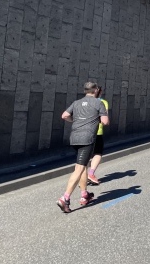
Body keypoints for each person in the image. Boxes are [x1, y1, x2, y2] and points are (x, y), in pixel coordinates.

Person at [57, 81, 109, 213]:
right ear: (96, 90)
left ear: (85, 91)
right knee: (79, 168)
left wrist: (75, 120)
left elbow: (64, 115)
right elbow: (105, 121)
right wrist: (95, 120)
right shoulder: (99, 103)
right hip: (87, 138)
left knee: (82, 166)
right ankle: (65, 198)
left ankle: (84, 194)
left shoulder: (76, 103)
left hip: (74, 138)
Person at [87, 85, 109, 186]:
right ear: (100, 92)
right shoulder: (103, 102)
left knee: (84, 156)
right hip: (97, 131)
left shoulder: (84, 102)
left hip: (84, 131)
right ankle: (91, 174)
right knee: (98, 153)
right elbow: (105, 120)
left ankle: (82, 179)